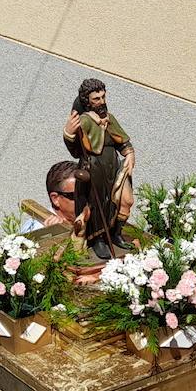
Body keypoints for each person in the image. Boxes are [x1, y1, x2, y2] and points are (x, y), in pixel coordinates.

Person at [67, 78, 135, 260]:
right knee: (98, 206)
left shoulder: (109, 118)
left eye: (103, 97)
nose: (102, 101)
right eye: (96, 98)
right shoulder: (85, 121)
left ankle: (115, 233)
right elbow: (76, 151)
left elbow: (123, 141)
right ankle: (99, 239)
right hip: (95, 170)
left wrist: (129, 154)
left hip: (114, 168)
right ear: (87, 101)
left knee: (124, 200)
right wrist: (69, 133)